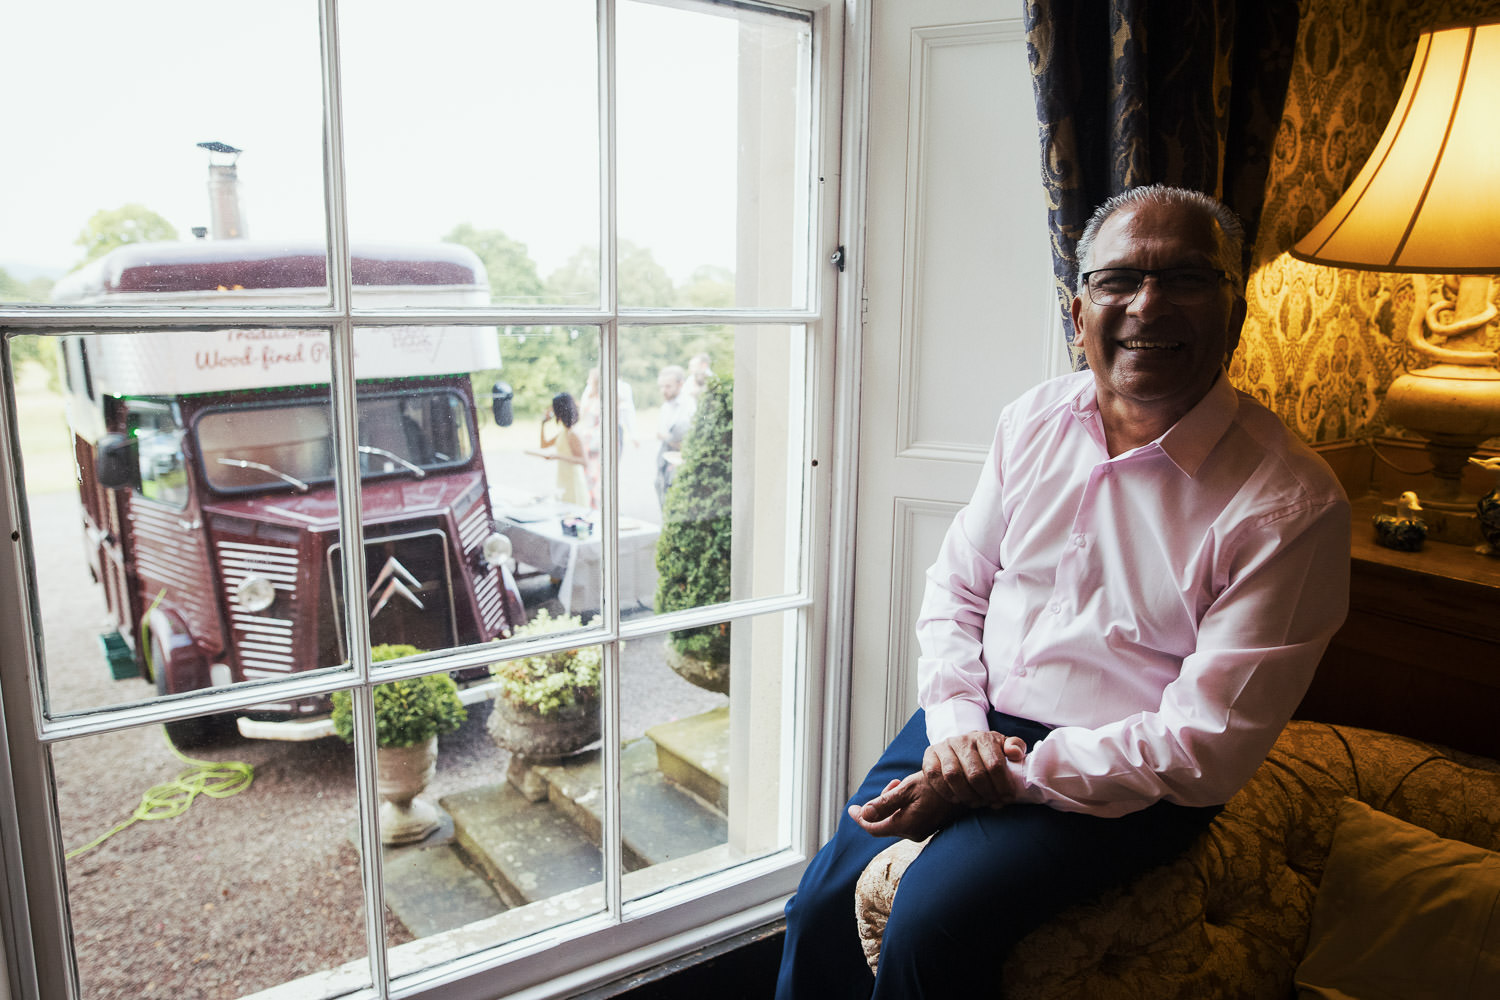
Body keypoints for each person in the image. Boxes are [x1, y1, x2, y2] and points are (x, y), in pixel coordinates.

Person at [776, 185, 1351, 998]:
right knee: (820, 907)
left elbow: (1205, 749)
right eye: (1119, 281)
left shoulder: (1292, 506)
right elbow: (956, 591)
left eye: (1186, 279)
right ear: (1078, 310)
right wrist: (958, 735)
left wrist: (1009, 775)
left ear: (1235, 310)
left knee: (929, 926)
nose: (1147, 305)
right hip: (976, 723)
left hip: (1138, 772)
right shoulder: (1034, 419)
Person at [529, 392, 589, 507]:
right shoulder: (564, 432)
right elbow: (544, 445)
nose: (551, 410)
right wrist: (543, 423)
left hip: (573, 482)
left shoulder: (573, 433)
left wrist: (558, 456)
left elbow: (584, 461)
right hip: (564, 480)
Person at [654, 364, 696, 506]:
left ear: (680, 384)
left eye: (668, 386)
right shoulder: (665, 407)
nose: (663, 391)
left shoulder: (689, 406)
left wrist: (667, 438)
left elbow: (687, 439)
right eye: (661, 386)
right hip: (664, 461)